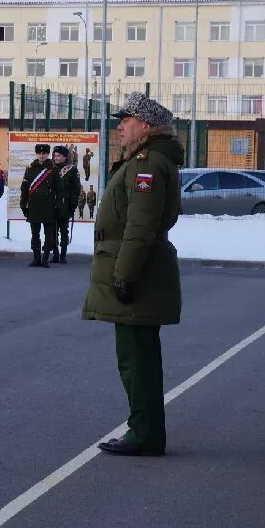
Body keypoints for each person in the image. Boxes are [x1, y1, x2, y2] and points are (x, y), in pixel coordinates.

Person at [84, 91, 183, 457]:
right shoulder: (146, 160)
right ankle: (145, 430)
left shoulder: (147, 164)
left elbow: (140, 227)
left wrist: (124, 276)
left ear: (145, 125)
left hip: (137, 276)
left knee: (136, 360)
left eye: (125, 120)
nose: (120, 126)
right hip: (138, 271)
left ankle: (144, 434)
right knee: (138, 358)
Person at [20, 143, 57, 268]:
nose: (42, 155)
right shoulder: (30, 169)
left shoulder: (53, 168)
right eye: (39, 153)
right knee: (35, 233)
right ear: (36, 154)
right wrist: (23, 204)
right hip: (34, 205)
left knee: (49, 234)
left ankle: (45, 258)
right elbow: (25, 188)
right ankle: (36, 258)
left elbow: (59, 190)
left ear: (48, 154)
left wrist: (58, 206)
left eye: (44, 153)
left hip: (48, 206)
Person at [51, 145, 82, 264]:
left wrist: (72, 204)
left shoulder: (72, 169)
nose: (56, 158)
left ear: (64, 157)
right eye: (55, 155)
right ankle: (55, 254)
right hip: (52, 204)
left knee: (63, 231)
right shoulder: (51, 168)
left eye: (58, 156)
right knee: (52, 231)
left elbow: (76, 189)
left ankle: (63, 254)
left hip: (65, 205)